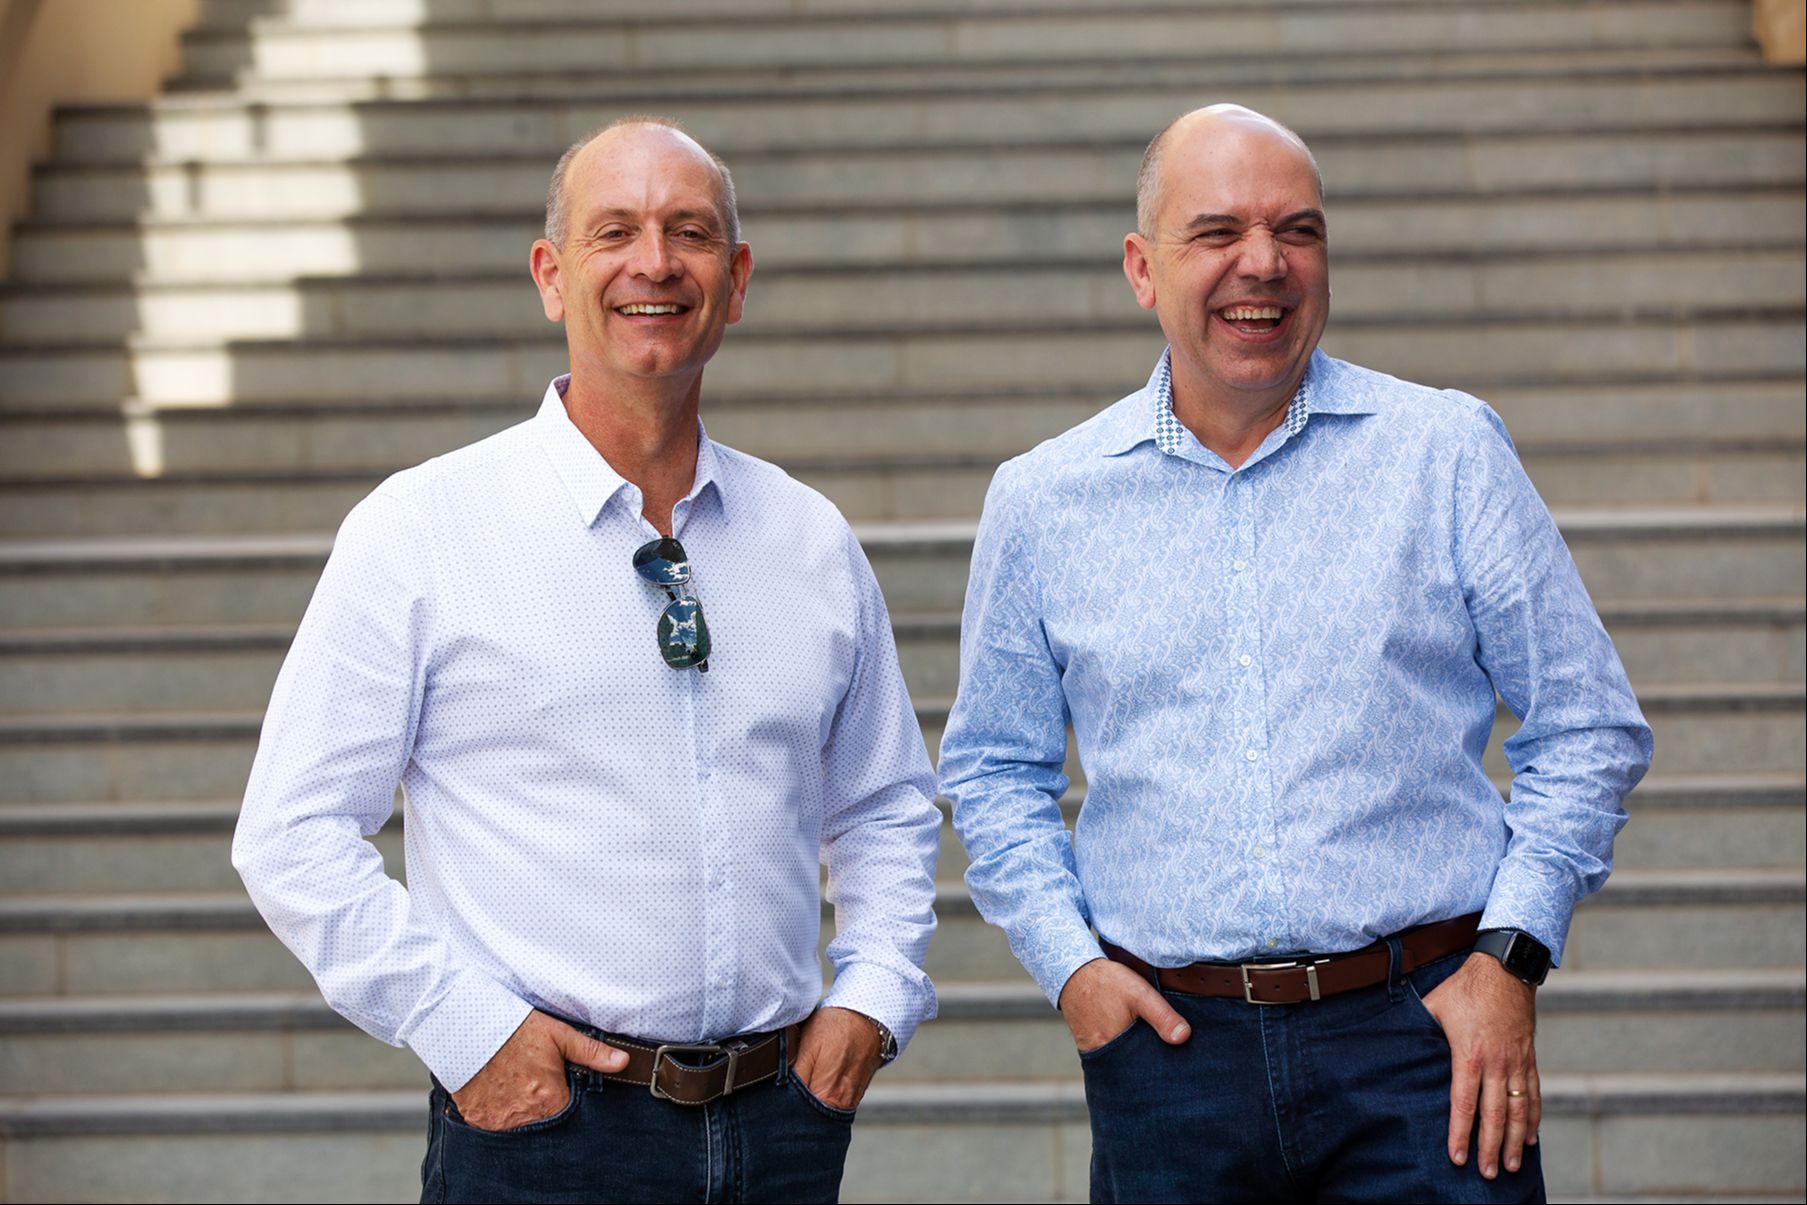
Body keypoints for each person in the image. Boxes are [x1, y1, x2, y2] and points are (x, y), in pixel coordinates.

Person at [938, 104, 1652, 1203]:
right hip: (1169, 1055)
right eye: (1216, 231)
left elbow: (1587, 722)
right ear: (1142, 267)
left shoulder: (1445, 452)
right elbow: (991, 767)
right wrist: (1074, 968)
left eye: (1297, 231)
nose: (1261, 263)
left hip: (1424, 1046)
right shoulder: (1042, 501)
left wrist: (1509, 958)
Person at [233, 116, 941, 1204]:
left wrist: (872, 1000)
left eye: (689, 232)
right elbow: (290, 833)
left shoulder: (810, 538)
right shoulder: (422, 528)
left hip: (782, 1128)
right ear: (550, 275)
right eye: (615, 231)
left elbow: (886, 801)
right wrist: (468, 1034)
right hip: (542, 1132)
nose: (653, 262)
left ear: (736, 278)